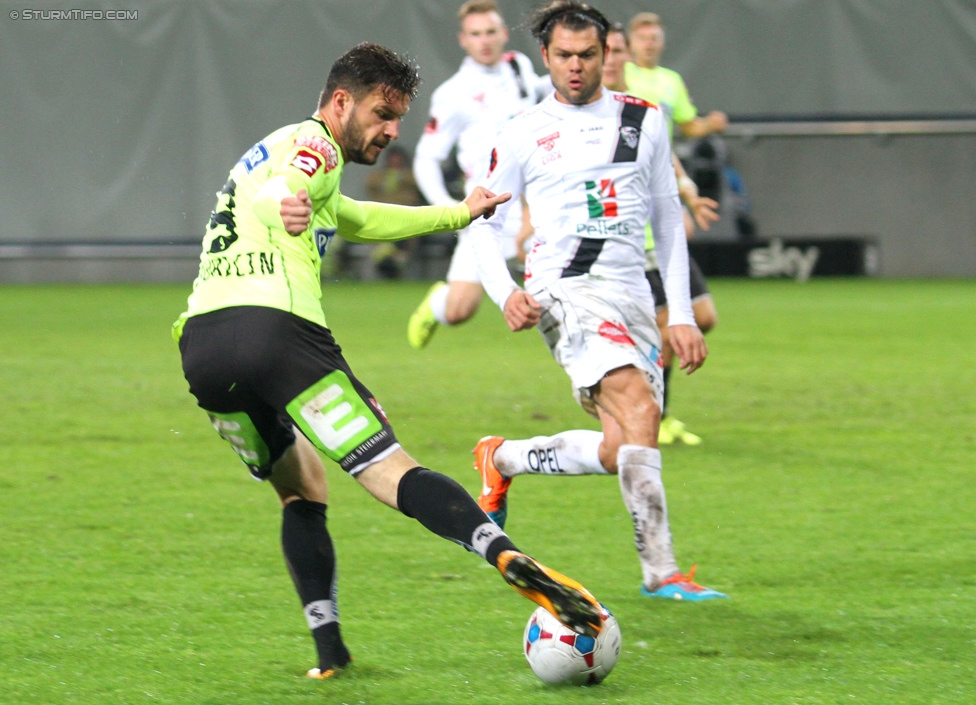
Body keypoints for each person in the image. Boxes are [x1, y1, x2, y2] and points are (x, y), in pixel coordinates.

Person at [173, 42, 605, 680]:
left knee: (301, 489)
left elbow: (359, 218)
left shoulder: (283, 156)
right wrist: (285, 203)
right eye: (382, 113)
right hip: (277, 333)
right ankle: (505, 555)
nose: (391, 131)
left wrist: (460, 211)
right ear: (342, 101)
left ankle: (329, 655)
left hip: (204, 352)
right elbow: (286, 188)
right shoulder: (312, 144)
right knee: (384, 468)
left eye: (399, 118)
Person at [467, 1, 727, 601]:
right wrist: (506, 291)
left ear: (609, 53)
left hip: (632, 291)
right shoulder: (522, 132)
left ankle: (502, 458)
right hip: (565, 290)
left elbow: (666, 213)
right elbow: (480, 223)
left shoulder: (644, 119)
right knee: (640, 407)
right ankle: (661, 574)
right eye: (565, 56)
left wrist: (680, 313)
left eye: (589, 54)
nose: (577, 67)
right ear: (546, 58)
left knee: (622, 447)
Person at [406, 0, 548, 349]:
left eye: (490, 32)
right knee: (459, 311)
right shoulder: (453, 93)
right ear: (463, 40)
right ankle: (437, 303)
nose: (484, 40)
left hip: (537, 205)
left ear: (503, 33)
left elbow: (538, 93)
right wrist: (449, 209)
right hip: (486, 208)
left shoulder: (519, 66)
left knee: (559, 287)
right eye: (475, 34)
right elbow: (427, 157)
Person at [626, 12, 725, 445]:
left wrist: (710, 127)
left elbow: (680, 132)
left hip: (661, 212)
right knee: (667, 331)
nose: (649, 44)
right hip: (635, 227)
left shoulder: (670, 81)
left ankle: (651, 407)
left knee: (703, 317)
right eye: (642, 38)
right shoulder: (619, 80)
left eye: (655, 38)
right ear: (627, 44)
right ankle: (653, 417)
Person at [363, 145, 424, 278]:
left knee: (406, 238)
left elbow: (418, 184)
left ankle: (396, 260)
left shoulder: (409, 176)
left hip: (405, 218)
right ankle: (386, 259)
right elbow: (371, 184)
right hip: (382, 217)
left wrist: (400, 177)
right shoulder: (380, 177)